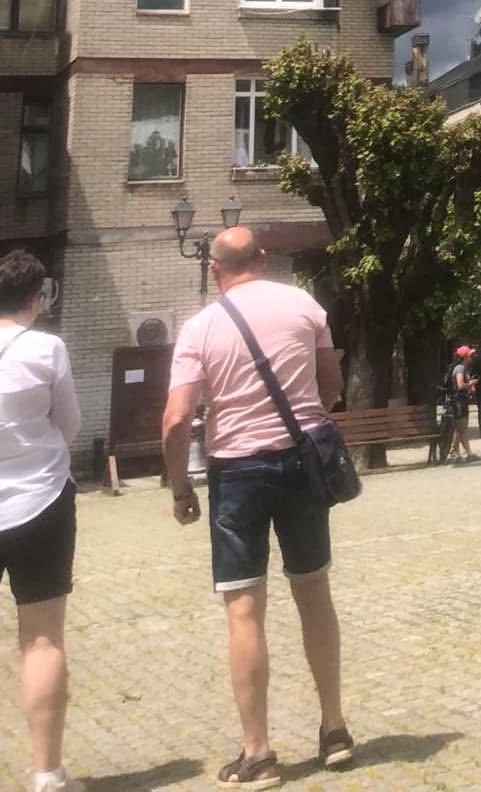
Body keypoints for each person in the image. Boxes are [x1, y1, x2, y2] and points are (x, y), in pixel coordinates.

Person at [162, 227, 355, 786]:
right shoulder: (304, 306)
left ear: (214, 269)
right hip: (301, 464)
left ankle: (259, 753)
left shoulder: (200, 327)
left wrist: (180, 489)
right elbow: (332, 385)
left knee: (244, 609)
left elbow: (176, 420)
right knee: (313, 593)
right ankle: (335, 730)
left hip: (236, 472)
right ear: (263, 259)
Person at [0, 249, 81, 792]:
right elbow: (68, 424)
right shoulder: (46, 348)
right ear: (35, 298)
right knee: (42, 641)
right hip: (40, 502)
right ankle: (48, 774)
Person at [443, 347, 476, 464]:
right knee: (461, 428)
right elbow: (460, 385)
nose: (471, 357)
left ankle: (461, 452)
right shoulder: (460, 368)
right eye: (469, 355)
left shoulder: (462, 368)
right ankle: (458, 452)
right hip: (459, 402)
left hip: (461, 401)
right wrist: (470, 384)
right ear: (464, 357)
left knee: (461, 428)